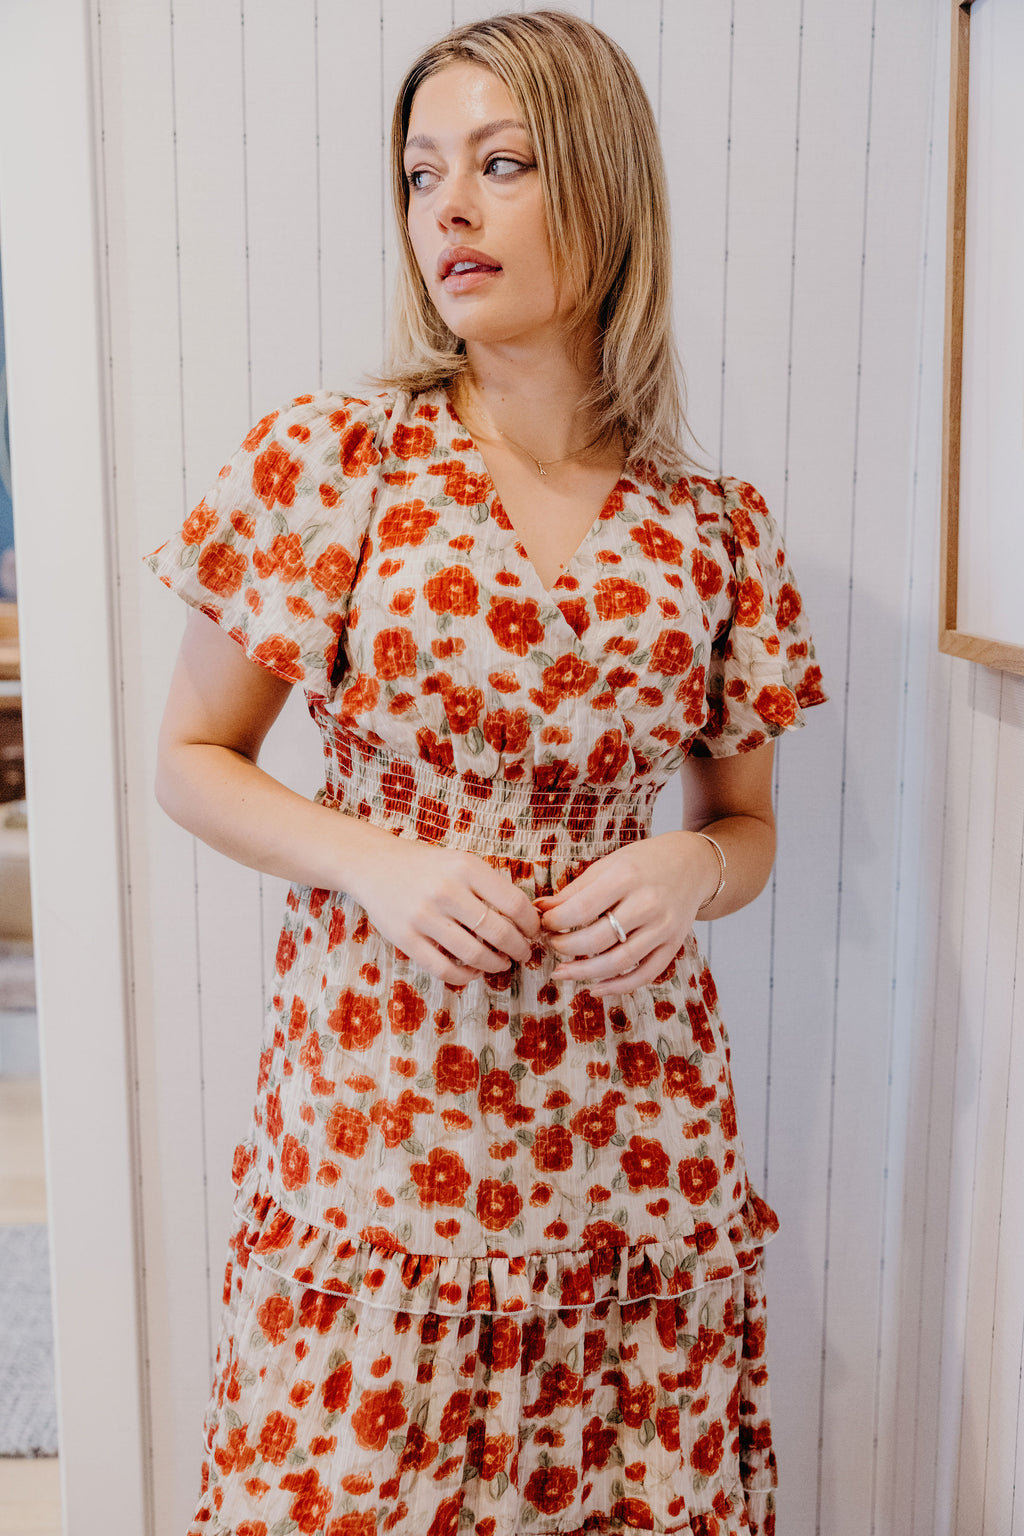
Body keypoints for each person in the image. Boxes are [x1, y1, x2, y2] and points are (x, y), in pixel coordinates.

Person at [147, 11, 826, 1535]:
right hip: (387, 1109)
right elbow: (193, 760)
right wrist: (377, 860)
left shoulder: (714, 525)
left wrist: (689, 866)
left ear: (602, 185)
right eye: (420, 173)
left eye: (502, 165)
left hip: (636, 1125)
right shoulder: (335, 462)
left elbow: (745, 826)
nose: (447, 209)